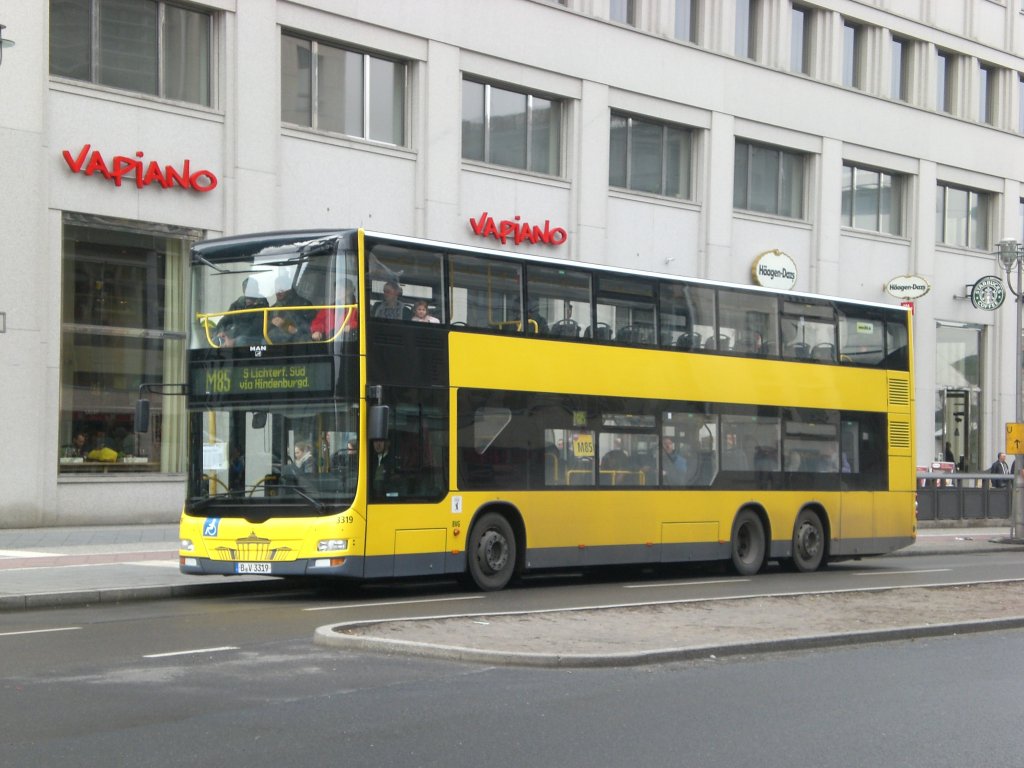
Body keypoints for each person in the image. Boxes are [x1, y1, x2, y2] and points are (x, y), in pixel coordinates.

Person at [215, 278, 269, 346]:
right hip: (234, 336)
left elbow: (256, 328)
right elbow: (224, 320)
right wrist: (221, 332)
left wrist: (233, 340)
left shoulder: (262, 305)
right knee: (216, 340)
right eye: (246, 288)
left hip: (255, 338)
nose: (249, 291)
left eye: (252, 288)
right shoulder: (237, 305)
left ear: (257, 290)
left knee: (241, 341)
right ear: (243, 290)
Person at [268, 274, 314, 343]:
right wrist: (271, 322)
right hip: (274, 348)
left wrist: (290, 328)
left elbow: (312, 330)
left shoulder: (304, 304)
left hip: (299, 347)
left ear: (289, 288)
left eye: (282, 288)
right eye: (276, 289)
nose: (278, 291)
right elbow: (263, 330)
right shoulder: (273, 308)